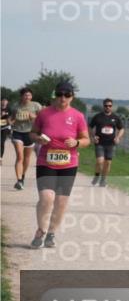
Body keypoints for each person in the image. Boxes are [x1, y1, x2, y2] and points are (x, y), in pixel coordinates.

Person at [29, 81, 89, 249]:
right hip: (46, 161)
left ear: (72, 97)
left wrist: (76, 142)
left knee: (61, 201)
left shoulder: (77, 116)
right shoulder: (44, 113)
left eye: (67, 95)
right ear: (55, 95)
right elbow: (32, 133)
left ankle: (51, 233)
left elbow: (86, 140)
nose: (63, 98)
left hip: (68, 164)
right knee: (46, 198)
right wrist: (38, 138)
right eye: (60, 94)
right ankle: (41, 230)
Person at [10, 87, 42, 190]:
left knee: (27, 158)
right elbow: (12, 118)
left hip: (30, 133)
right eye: (25, 95)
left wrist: (34, 117)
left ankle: (22, 176)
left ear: (31, 96)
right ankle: (19, 180)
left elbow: (42, 118)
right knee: (20, 156)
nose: (27, 97)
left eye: (29, 95)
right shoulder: (16, 106)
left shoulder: (36, 105)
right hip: (17, 132)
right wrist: (10, 122)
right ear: (21, 96)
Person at [89, 98, 125, 186]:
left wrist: (118, 137)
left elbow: (121, 129)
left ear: (112, 106)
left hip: (111, 144)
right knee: (100, 161)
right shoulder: (98, 117)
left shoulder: (115, 118)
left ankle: (103, 179)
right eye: (106, 105)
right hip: (99, 143)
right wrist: (93, 136)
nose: (108, 107)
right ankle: (97, 175)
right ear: (103, 106)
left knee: (108, 163)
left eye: (110, 106)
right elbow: (89, 127)